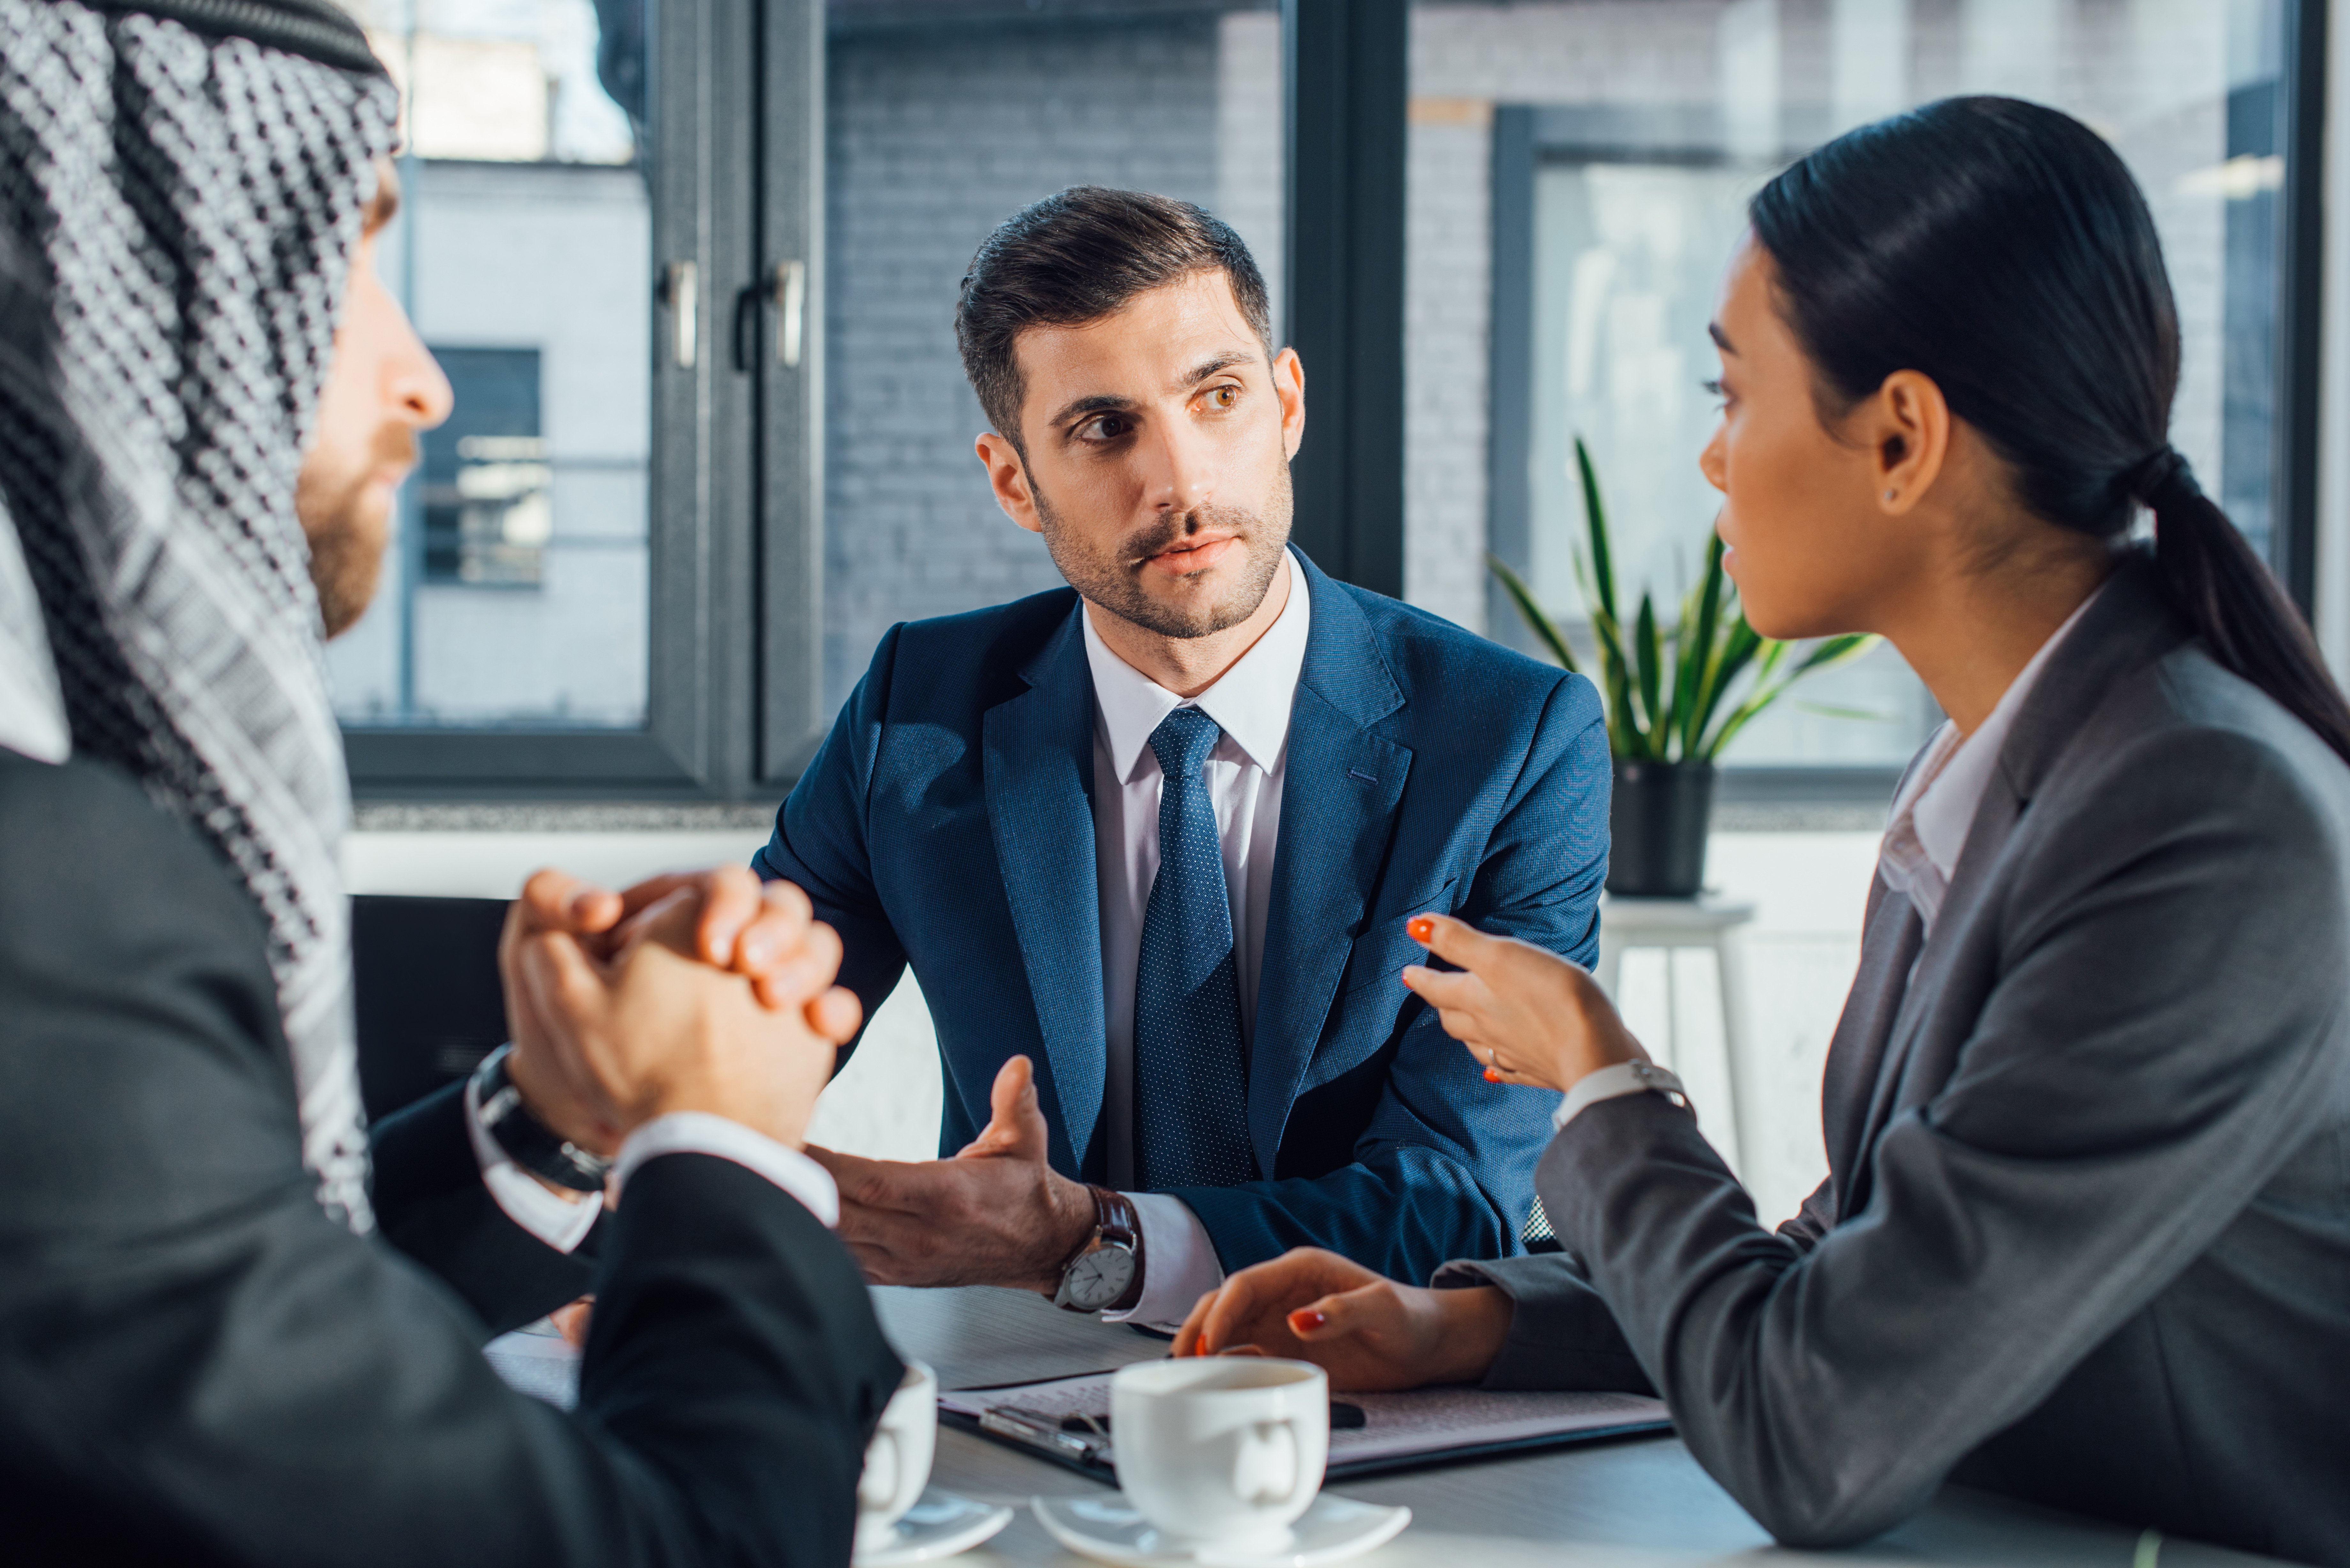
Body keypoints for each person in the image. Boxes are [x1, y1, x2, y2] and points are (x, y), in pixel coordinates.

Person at [1170, 96, 2350, 1567]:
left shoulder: (2197, 819)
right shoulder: (2021, 768)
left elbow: (1818, 1428)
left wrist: (1600, 1079)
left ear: (1904, 437)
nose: (1715, 461)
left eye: (1734, 395)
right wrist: (1464, 1321)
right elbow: (1855, 1267)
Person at [0, 4, 901, 1563]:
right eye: (345, 257)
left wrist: (550, 1125)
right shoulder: (51, 909)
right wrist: (724, 1148)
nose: (422, 381)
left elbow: (218, 1355)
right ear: (108, 264)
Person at [754, 187, 1609, 1327]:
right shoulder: (917, 716)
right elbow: (728, 1053)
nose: (1183, 483)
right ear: (1015, 481)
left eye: (1218, 398)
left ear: (1288, 402)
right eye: (1105, 429)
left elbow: (1459, 1199)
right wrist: (647, 1214)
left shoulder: (1511, 740)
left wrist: (1090, 1244)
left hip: (1366, 1372)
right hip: (1017, 1370)